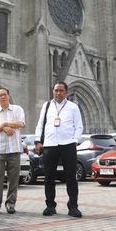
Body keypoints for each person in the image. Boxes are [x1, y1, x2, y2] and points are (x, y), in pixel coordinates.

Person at [35, 82, 83, 218]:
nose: (58, 93)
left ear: (66, 92)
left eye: (61, 91)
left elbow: (79, 126)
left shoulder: (73, 107)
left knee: (70, 177)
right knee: (49, 177)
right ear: (53, 91)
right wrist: (38, 141)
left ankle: (73, 207)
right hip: (49, 144)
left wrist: (75, 140)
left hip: (68, 144)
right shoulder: (47, 106)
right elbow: (40, 124)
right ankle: (50, 206)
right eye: (56, 90)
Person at [0, 87, 26, 215]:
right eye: (0, 95)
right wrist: (2, 128)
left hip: (14, 149)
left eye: (5, 95)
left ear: (9, 96)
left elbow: (21, 124)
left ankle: (10, 204)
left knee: (13, 180)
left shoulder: (17, 109)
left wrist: (5, 124)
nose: (3, 97)